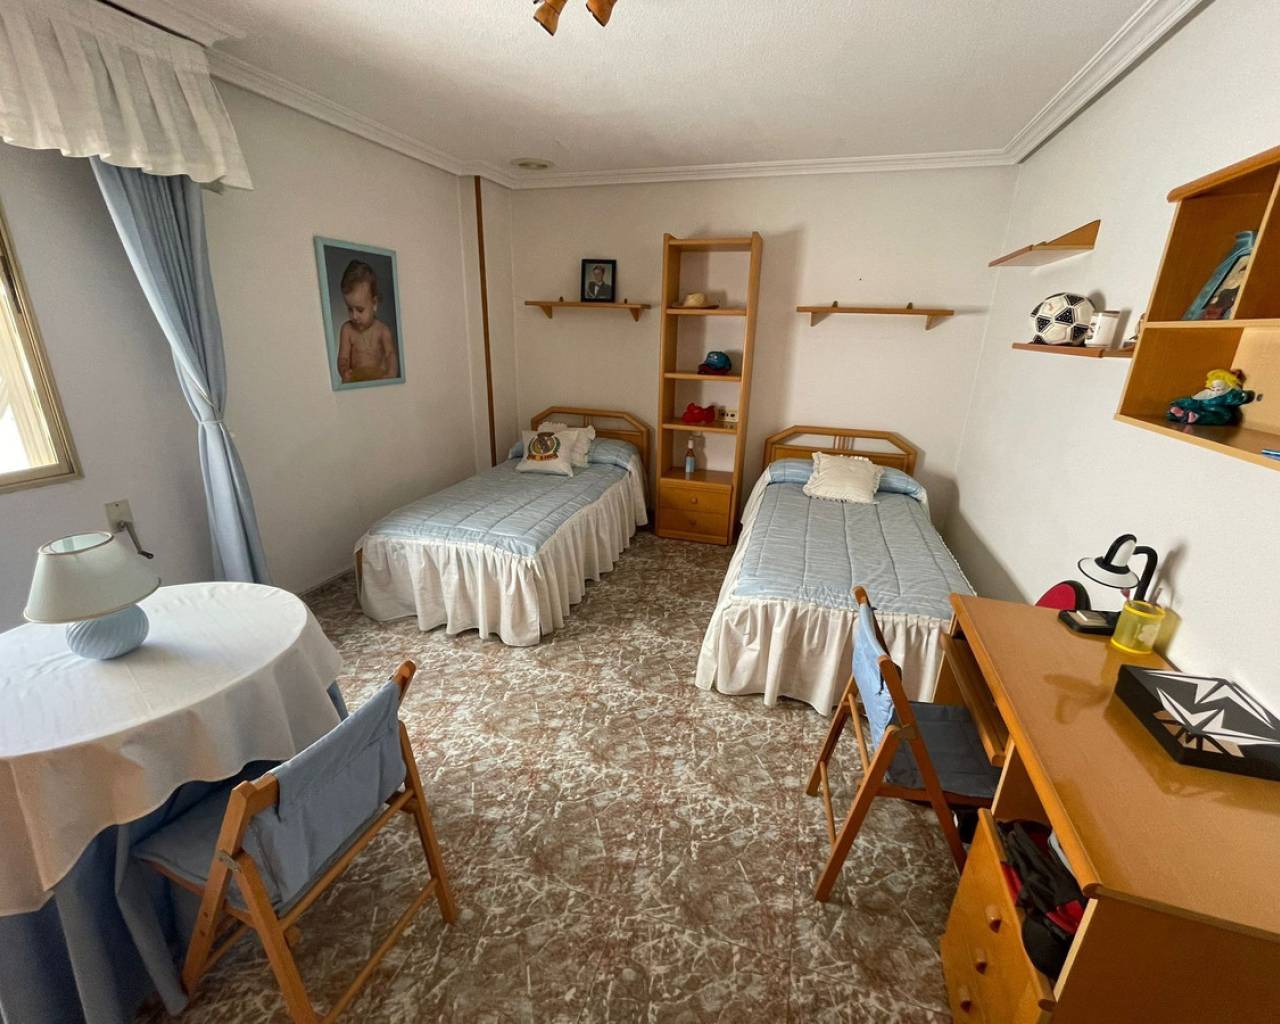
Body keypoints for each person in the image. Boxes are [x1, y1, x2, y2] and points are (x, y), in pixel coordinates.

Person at [336, 260, 398, 382]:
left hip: (378, 380)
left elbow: (390, 354)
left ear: (374, 304)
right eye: (350, 309)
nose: (354, 316)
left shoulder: (382, 330)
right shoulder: (347, 330)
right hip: (355, 382)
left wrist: (391, 374)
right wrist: (344, 371)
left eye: (360, 310)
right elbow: (343, 358)